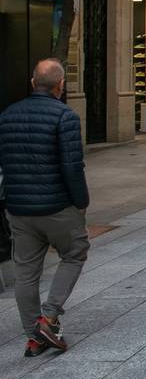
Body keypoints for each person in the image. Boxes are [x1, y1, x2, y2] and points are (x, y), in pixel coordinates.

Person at [0, 59, 90, 358]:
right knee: (75, 251)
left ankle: (33, 337)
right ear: (60, 85)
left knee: (25, 273)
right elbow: (72, 167)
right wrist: (81, 203)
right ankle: (48, 318)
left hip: (18, 208)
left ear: (32, 82)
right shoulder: (64, 116)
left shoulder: (7, 115)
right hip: (55, 205)